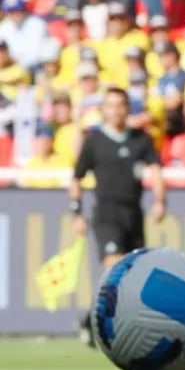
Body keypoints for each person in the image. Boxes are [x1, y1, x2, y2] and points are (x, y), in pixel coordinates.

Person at [70, 87, 167, 347]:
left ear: (127, 108)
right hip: (106, 214)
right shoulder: (95, 141)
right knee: (115, 269)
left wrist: (160, 200)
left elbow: (156, 169)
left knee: (132, 276)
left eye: (120, 105)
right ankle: (115, 328)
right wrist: (76, 213)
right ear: (103, 109)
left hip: (133, 214)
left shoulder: (140, 139)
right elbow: (76, 178)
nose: (115, 110)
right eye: (110, 105)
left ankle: (91, 318)